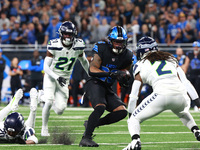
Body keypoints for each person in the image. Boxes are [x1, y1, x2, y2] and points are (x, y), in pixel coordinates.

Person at [123, 36, 200, 150]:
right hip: (181, 96)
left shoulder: (140, 64)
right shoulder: (170, 58)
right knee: (182, 111)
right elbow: (185, 82)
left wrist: (131, 113)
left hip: (161, 95)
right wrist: (198, 102)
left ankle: (135, 141)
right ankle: (197, 131)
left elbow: (134, 93)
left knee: (134, 119)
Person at [79, 26, 133, 147]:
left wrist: (124, 78)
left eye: (121, 42)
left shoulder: (128, 55)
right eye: (116, 42)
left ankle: (92, 123)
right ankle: (86, 138)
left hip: (107, 87)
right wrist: (111, 73)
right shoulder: (102, 48)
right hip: (95, 82)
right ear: (110, 41)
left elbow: (125, 73)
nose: (118, 45)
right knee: (100, 107)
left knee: (122, 112)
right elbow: (92, 69)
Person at [41, 21, 89, 136]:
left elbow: (84, 62)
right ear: (61, 34)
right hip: (52, 76)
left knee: (60, 110)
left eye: (70, 34)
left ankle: (41, 96)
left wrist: (90, 74)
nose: (68, 36)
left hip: (65, 79)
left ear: (74, 35)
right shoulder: (54, 45)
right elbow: (45, 68)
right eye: (65, 34)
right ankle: (44, 128)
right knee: (48, 102)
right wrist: (57, 77)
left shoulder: (78, 45)